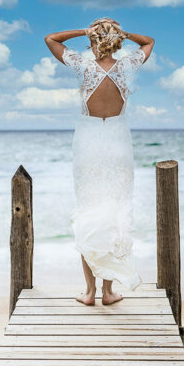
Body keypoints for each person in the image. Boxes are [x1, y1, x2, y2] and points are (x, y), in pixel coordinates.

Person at [44, 18, 154, 305]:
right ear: (116, 39)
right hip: (117, 139)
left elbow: (51, 38)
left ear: (93, 39)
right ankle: (108, 292)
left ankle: (90, 292)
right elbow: (149, 42)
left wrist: (83, 31)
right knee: (114, 211)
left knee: (89, 211)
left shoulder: (83, 65)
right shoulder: (128, 65)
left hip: (89, 140)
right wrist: (124, 33)